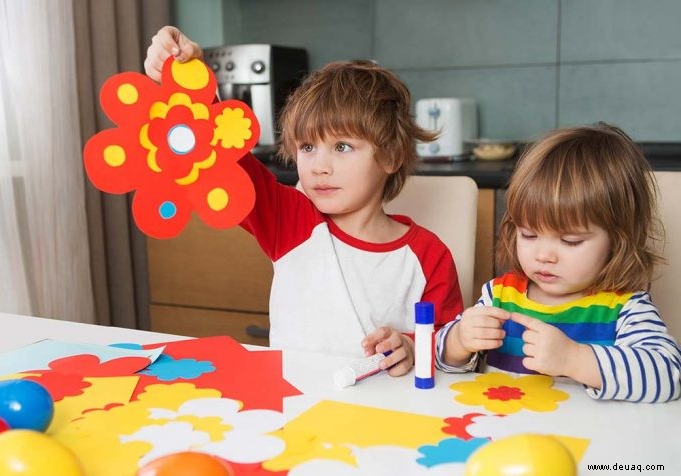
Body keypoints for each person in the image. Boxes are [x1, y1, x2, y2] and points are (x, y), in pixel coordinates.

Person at [145, 27, 464, 375]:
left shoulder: (429, 256)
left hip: (386, 418)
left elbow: (450, 345)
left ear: (389, 157)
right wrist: (191, 76)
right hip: (293, 406)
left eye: (342, 147)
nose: (319, 167)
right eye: (308, 148)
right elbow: (225, 159)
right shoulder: (290, 220)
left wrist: (411, 346)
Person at [436, 123, 681, 403]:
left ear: (618, 240)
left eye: (570, 241)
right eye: (529, 234)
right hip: (503, 437)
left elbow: (668, 375)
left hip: (587, 443)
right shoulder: (500, 296)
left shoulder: (624, 308)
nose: (544, 255)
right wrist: (458, 342)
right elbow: (444, 362)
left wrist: (574, 359)